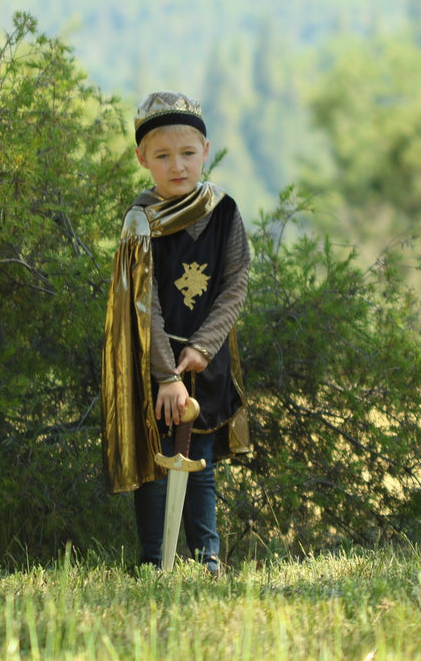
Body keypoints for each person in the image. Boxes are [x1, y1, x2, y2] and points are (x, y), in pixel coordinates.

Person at [100, 91, 251, 576]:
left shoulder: (223, 211)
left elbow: (235, 282)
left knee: (200, 457)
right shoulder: (141, 222)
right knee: (159, 464)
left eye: (187, 153)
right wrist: (166, 374)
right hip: (156, 365)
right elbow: (144, 307)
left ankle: (207, 555)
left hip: (207, 361)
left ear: (205, 151)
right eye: (163, 156)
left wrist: (205, 347)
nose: (177, 166)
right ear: (143, 158)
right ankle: (154, 560)